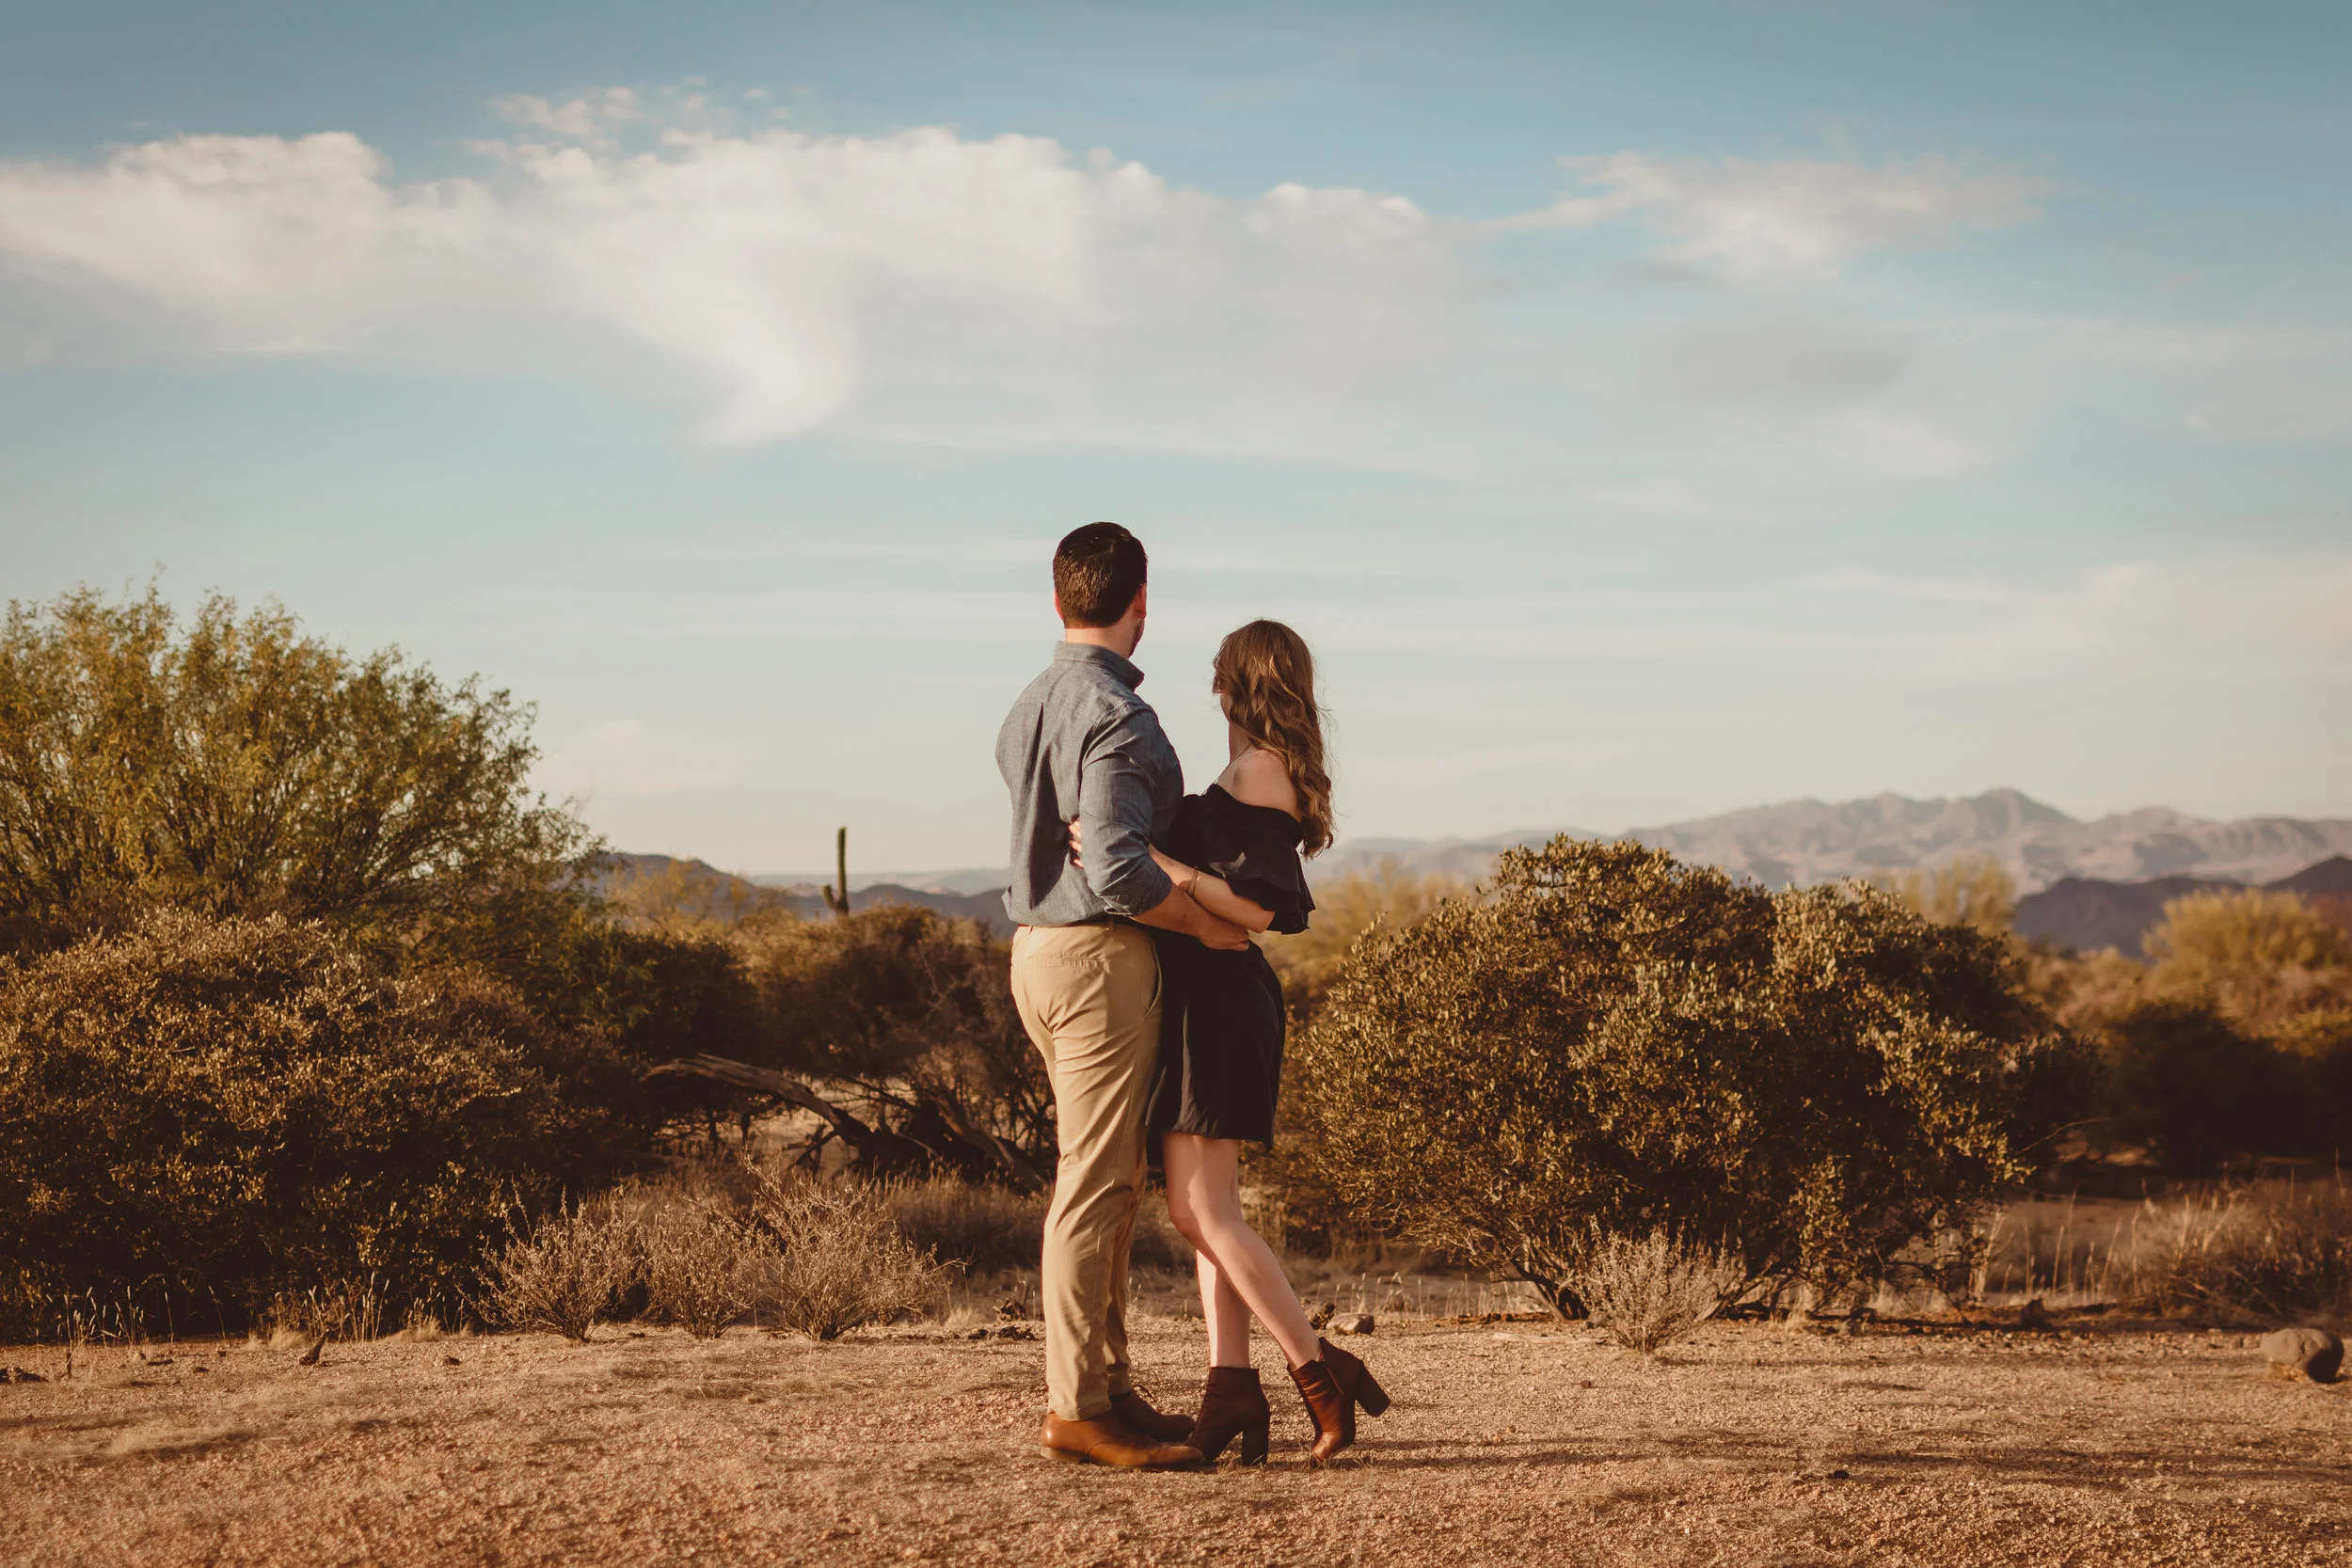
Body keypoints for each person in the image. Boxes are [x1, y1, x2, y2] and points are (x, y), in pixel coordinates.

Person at [1072, 619, 1390, 1465]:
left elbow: (1258, 907)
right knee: (1212, 1217)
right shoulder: (1255, 769)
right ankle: (1228, 1389)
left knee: (1199, 1211)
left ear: (1236, 686)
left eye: (1218, 678)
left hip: (1220, 1004)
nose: (1212, 692)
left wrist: (1155, 862)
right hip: (1202, 1002)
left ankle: (1321, 1370)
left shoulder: (1260, 769)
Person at [997, 522, 1251, 1469]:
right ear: (1141, 600)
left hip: (1036, 950)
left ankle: (1105, 1385)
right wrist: (1202, 923)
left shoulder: (1029, 703)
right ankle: (1076, 1405)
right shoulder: (1118, 716)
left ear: (1057, 596)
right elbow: (1111, 861)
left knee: (1105, 1177)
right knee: (1095, 1182)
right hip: (1099, 957)